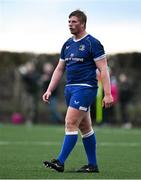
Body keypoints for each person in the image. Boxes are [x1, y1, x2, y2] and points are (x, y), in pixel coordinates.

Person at [42, 10, 113, 173]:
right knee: (85, 127)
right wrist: (49, 89)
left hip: (86, 88)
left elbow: (103, 69)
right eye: (69, 22)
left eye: (74, 22)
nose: (70, 25)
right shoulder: (67, 44)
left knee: (70, 122)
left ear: (82, 23)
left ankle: (60, 162)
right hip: (70, 89)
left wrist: (108, 94)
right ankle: (92, 165)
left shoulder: (92, 43)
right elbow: (59, 69)